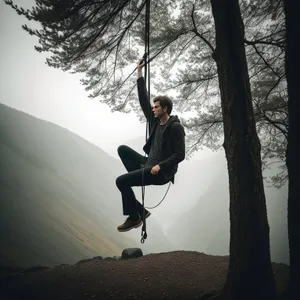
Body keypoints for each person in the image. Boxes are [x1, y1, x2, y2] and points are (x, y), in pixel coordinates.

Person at [116, 59, 185, 232]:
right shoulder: (155, 122)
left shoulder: (176, 128)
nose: (153, 109)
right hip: (148, 164)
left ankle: (134, 218)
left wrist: (159, 166)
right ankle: (140, 209)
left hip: (159, 173)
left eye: (156, 107)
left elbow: (180, 155)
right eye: (153, 107)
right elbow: (142, 99)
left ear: (165, 108)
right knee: (122, 150)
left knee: (121, 182)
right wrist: (139, 72)